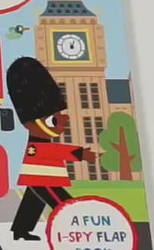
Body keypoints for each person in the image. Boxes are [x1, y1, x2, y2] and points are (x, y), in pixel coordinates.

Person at [6, 57, 98, 240]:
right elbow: (51, 152)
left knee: (32, 203)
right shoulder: (37, 144)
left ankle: (20, 230)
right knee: (63, 203)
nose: (64, 120)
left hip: (41, 178)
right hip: (42, 179)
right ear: (31, 124)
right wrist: (80, 153)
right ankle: (74, 227)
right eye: (53, 119)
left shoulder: (40, 137)